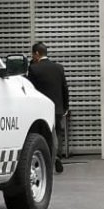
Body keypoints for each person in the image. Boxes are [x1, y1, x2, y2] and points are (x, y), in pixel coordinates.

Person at [27, 42, 69, 173]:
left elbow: (30, 89)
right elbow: (65, 88)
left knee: (43, 134)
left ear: (37, 54)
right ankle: (57, 156)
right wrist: (65, 107)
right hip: (57, 108)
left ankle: (47, 159)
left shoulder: (34, 69)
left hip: (41, 109)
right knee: (57, 132)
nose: (32, 57)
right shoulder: (58, 68)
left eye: (33, 54)